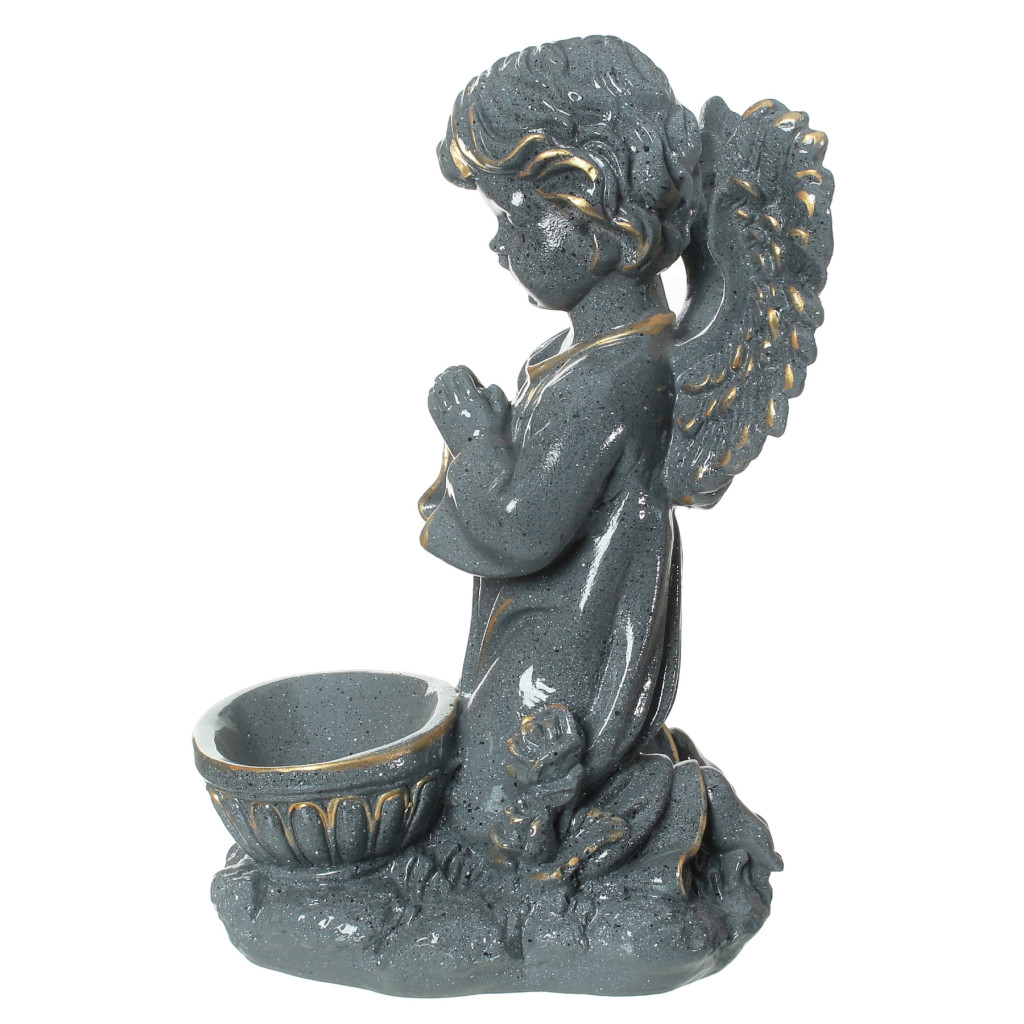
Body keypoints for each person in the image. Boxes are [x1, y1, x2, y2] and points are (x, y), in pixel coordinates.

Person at [419, 37, 703, 879]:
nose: (499, 245)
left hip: (561, 667)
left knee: (486, 811)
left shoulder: (614, 381)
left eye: (515, 218)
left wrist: (474, 439)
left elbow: (518, 531)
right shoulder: (584, 357)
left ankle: (599, 820)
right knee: (465, 781)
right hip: (538, 632)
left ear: (602, 216)